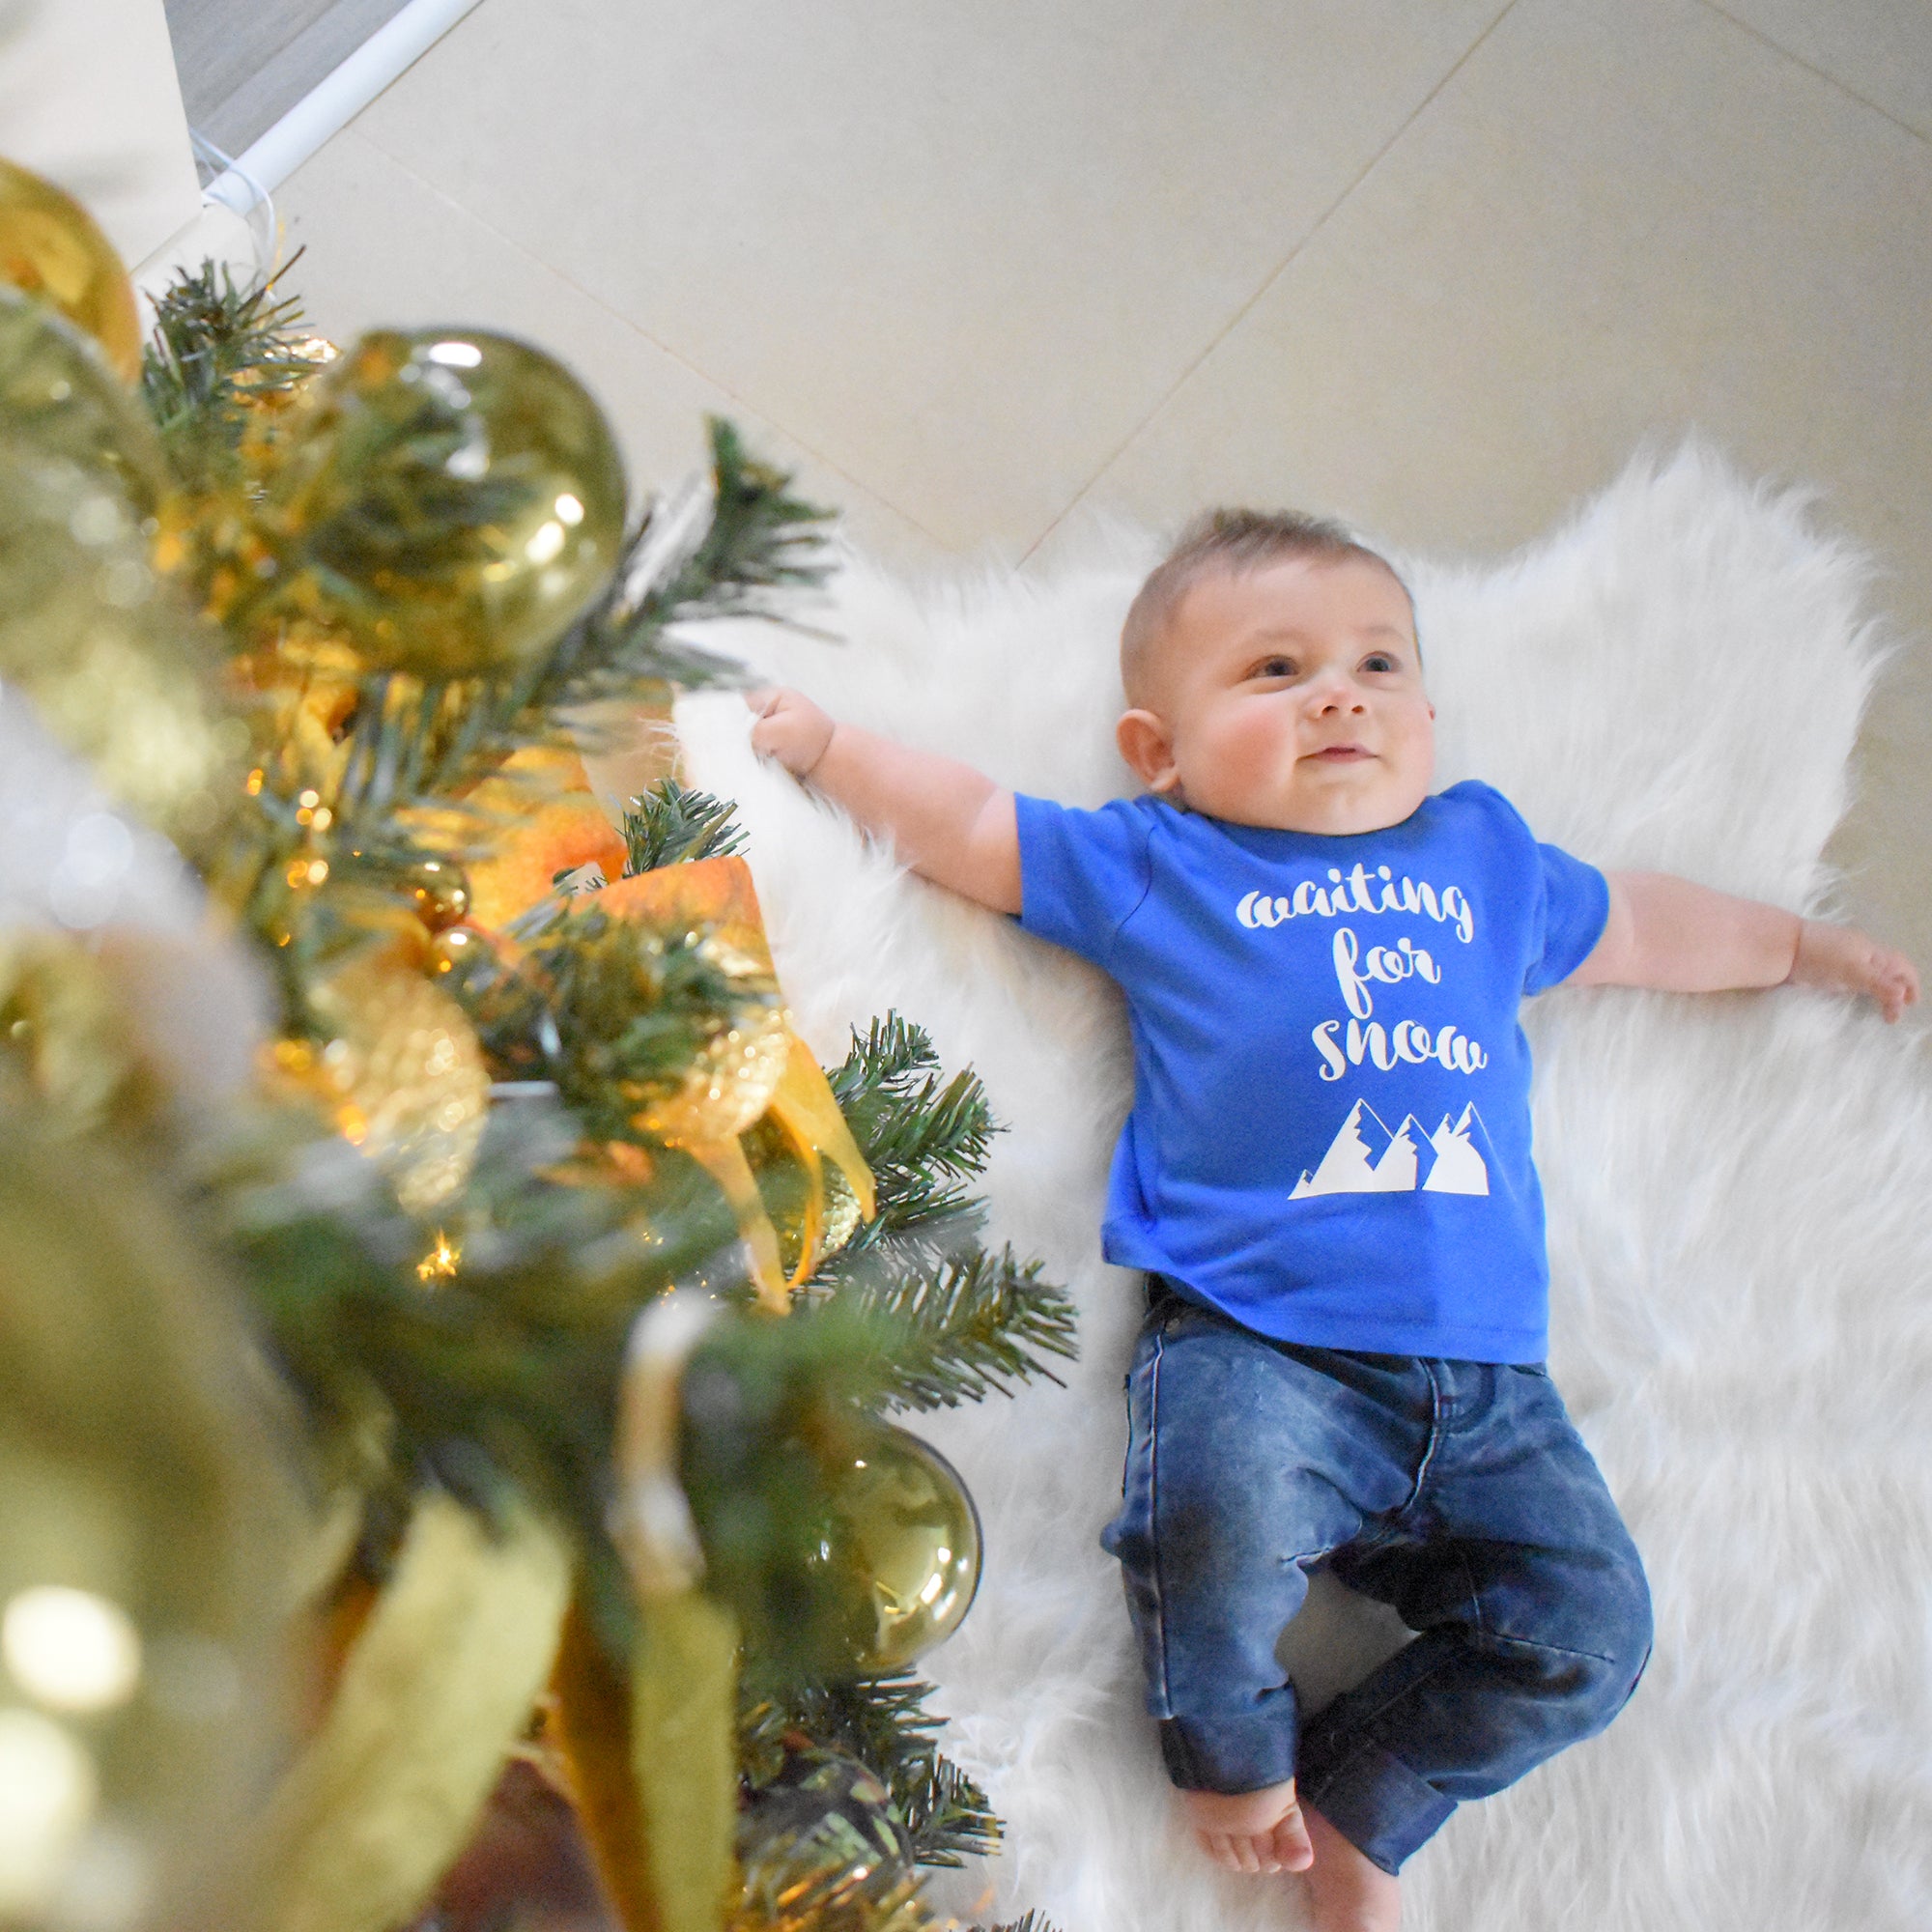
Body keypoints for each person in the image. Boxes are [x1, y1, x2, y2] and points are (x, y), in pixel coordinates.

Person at [744, 510, 1919, 1930]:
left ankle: (1368, 1800)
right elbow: (982, 831)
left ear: (1426, 711)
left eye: (1376, 663)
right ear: (1160, 753)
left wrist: (1795, 944)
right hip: (1261, 1349)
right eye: (1277, 670)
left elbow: (1642, 927)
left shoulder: (1485, 860)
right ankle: (1231, 1757)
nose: (1340, 694)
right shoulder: (1166, 865)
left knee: (1594, 1631)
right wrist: (829, 749)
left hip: (1491, 1386)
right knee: (1210, 1530)